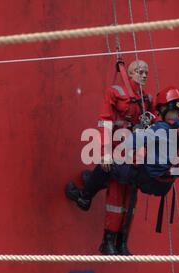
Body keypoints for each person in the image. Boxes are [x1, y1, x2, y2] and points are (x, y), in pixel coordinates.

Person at [66, 86, 179, 256]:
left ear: (161, 109)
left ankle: (84, 197)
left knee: (108, 165)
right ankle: (120, 243)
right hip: (163, 185)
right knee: (125, 177)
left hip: (148, 179)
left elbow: (131, 143)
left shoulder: (159, 129)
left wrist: (113, 150)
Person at [66, 60, 155, 255]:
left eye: (146, 72)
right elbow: (105, 122)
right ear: (130, 73)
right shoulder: (117, 93)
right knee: (117, 196)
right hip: (119, 152)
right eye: (140, 71)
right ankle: (111, 242)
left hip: (132, 155)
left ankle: (118, 242)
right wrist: (106, 153)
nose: (144, 75)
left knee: (127, 198)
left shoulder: (146, 100)